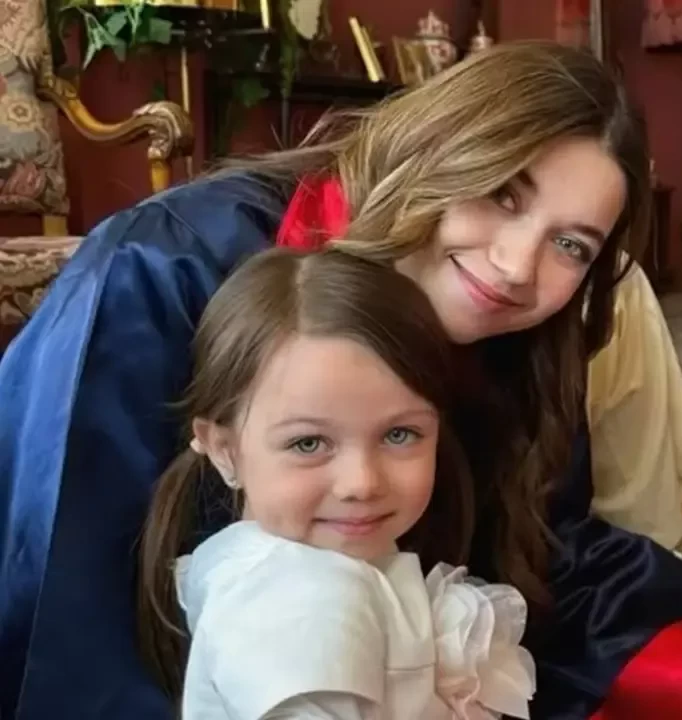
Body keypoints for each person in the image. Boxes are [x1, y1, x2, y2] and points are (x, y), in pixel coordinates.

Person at [0, 41, 682, 719]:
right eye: (501, 194)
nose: (515, 265)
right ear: (433, 152)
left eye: (572, 245)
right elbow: (62, 602)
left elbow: (547, 552)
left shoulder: (515, 333)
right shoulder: (160, 270)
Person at [149, 247, 535, 719]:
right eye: (308, 443)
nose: (361, 483)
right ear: (224, 449)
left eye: (399, 434)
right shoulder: (290, 601)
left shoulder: (329, 570)